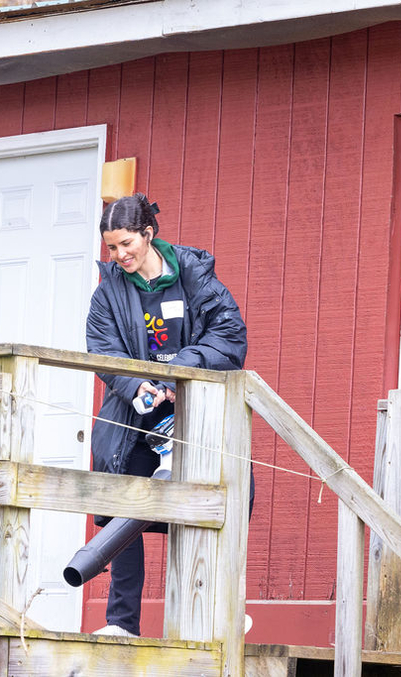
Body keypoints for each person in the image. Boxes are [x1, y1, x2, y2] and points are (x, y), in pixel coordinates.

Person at [86, 193, 248, 638]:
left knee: (205, 509)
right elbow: (102, 349)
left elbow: (229, 335)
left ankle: (215, 614)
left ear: (148, 234)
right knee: (124, 509)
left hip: (194, 415)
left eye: (126, 244)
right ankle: (121, 624)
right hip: (134, 416)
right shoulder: (108, 292)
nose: (120, 255)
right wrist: (134, 384)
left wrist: (181, 371)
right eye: (112, 248)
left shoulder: (195, 275)